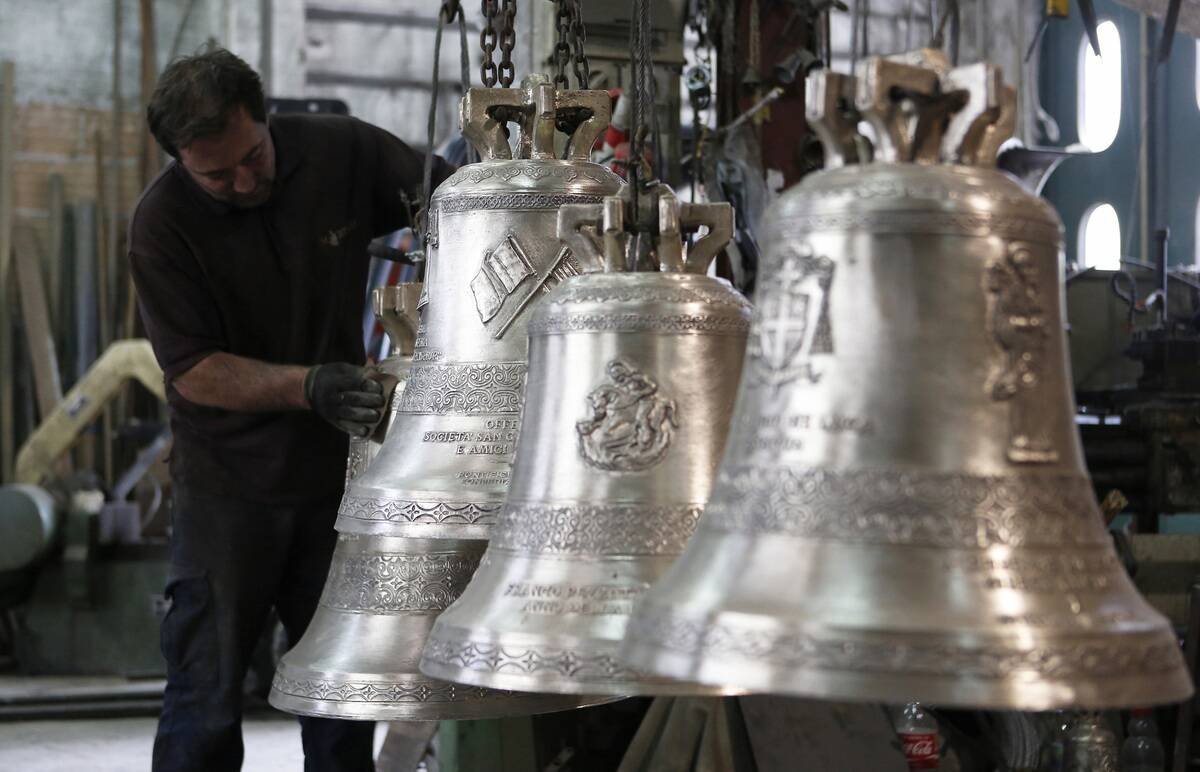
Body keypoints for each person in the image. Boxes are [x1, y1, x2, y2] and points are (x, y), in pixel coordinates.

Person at [129, 46, 452, 772]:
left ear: (265, 116)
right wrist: (310, 387)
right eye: (218, 176)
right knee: (205, 701)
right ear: (181, 162)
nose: (245, 182)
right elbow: (195, 372)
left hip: (335, 485)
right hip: (227, 493)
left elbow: (449, 195)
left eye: (253, 156)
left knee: (339, 699)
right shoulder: (162, 225)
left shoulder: (340, 153)